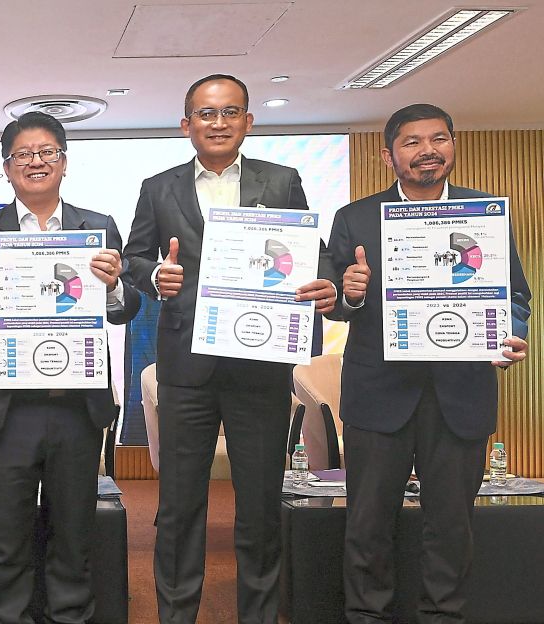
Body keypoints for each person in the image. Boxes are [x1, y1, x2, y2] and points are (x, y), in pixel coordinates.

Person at [122, 73, 337, 623]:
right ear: (186, 124)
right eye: (206, 113)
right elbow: (133, 257)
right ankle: (176, 615)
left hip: (259, 368)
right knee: (178, 508)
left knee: (260, 507)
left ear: (248, 121)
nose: (218, 123)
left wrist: (327, 282)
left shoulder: (281, 181)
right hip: (185, 370)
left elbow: (312, 251)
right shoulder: (158, 187)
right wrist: (154, 276)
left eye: (230, 112)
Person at [328, 103, 531, 623]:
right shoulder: (354, 217)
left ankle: (443, 617)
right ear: (388, 156)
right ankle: (367, 616)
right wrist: (350, 294)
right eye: (412, 142)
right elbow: (335, 301)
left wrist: (511, 333)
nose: (428, 151)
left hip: (460, 393)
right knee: (368, 525)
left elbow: (515, 295)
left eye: (438, 139)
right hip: (379, 393)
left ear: (453, 146)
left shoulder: (484, 212)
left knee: (452, 527)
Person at [0, 111, 138, 623]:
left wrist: (114, 287)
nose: (36, 162)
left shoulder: (98, 228)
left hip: (77, 407)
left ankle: (70, 616)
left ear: (64, 163)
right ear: (7, 168)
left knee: (74, 534)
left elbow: (127, 304)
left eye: (47, 152)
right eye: (23, 154)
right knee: (6, 535)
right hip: (7, 411)